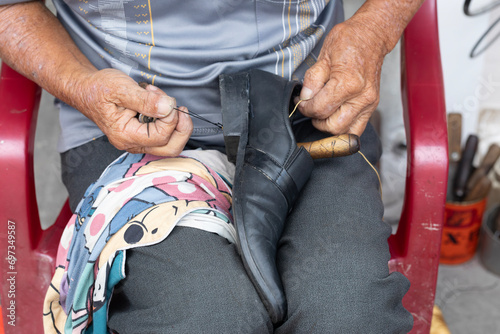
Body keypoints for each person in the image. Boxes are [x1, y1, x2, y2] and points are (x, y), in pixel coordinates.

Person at [0, 0, 424, 332]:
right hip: (126, 120)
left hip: (307, 107)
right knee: (204, 315)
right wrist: (82, 85)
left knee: (346, 312)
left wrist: (373, 29)